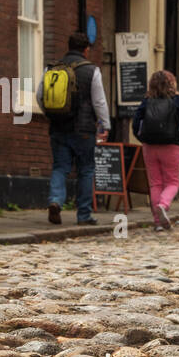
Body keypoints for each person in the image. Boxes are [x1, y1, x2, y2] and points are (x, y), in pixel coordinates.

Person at [37, 31, 110, 226]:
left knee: (60, 167)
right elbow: (99, 101)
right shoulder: (91, 70)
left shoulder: (51, 68)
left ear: (68, 47)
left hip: (59, 128)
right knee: (86, 170)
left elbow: (39, 96)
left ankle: (55, 201)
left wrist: (50, 114)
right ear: (86, 50)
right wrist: (105, 124)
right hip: (84, 131)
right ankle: (84, 215)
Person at [132, 71, 179, 231]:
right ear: (172, 84)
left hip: (149, 146)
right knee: (173, 182)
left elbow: (136, 122)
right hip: (171, 145)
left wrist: (142, 139)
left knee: (155, 184)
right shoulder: (178, 100)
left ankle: (157, 223)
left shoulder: (147, 100)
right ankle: (163, 205)